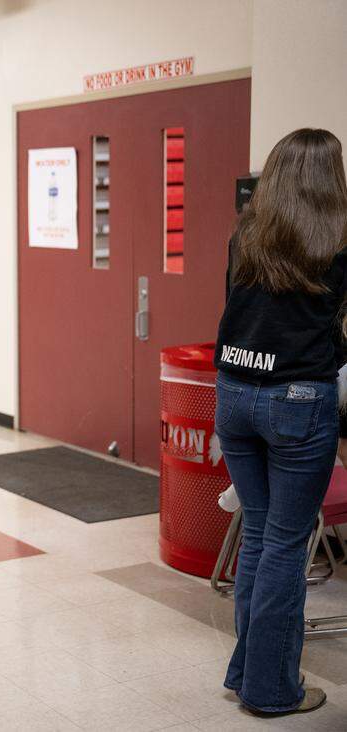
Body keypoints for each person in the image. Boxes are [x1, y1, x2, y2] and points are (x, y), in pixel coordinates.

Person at [212, 128, 347, 716]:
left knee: (262, 537)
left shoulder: (248, 236)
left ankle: (247, 672)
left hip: (235, 393)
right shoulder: (338, 238)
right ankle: (272, 689)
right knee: (287, 548)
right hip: (297, 401)